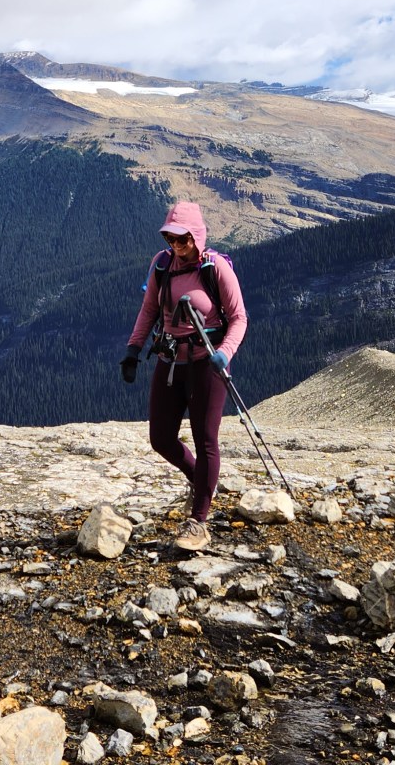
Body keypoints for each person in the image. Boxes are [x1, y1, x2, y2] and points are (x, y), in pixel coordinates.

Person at [120, 201, 247, 552]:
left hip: (208, 361)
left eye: (182, 240)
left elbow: (239, 318)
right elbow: (149, 310)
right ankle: (201, 480)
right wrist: (133, 350)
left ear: (196, 237)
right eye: (170, 239)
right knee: (160, 437)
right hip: (170, 358)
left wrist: (226, 353)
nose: (176, 247)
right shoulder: (161, 265)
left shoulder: (215, 268)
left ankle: (200, 520)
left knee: (206, 437)